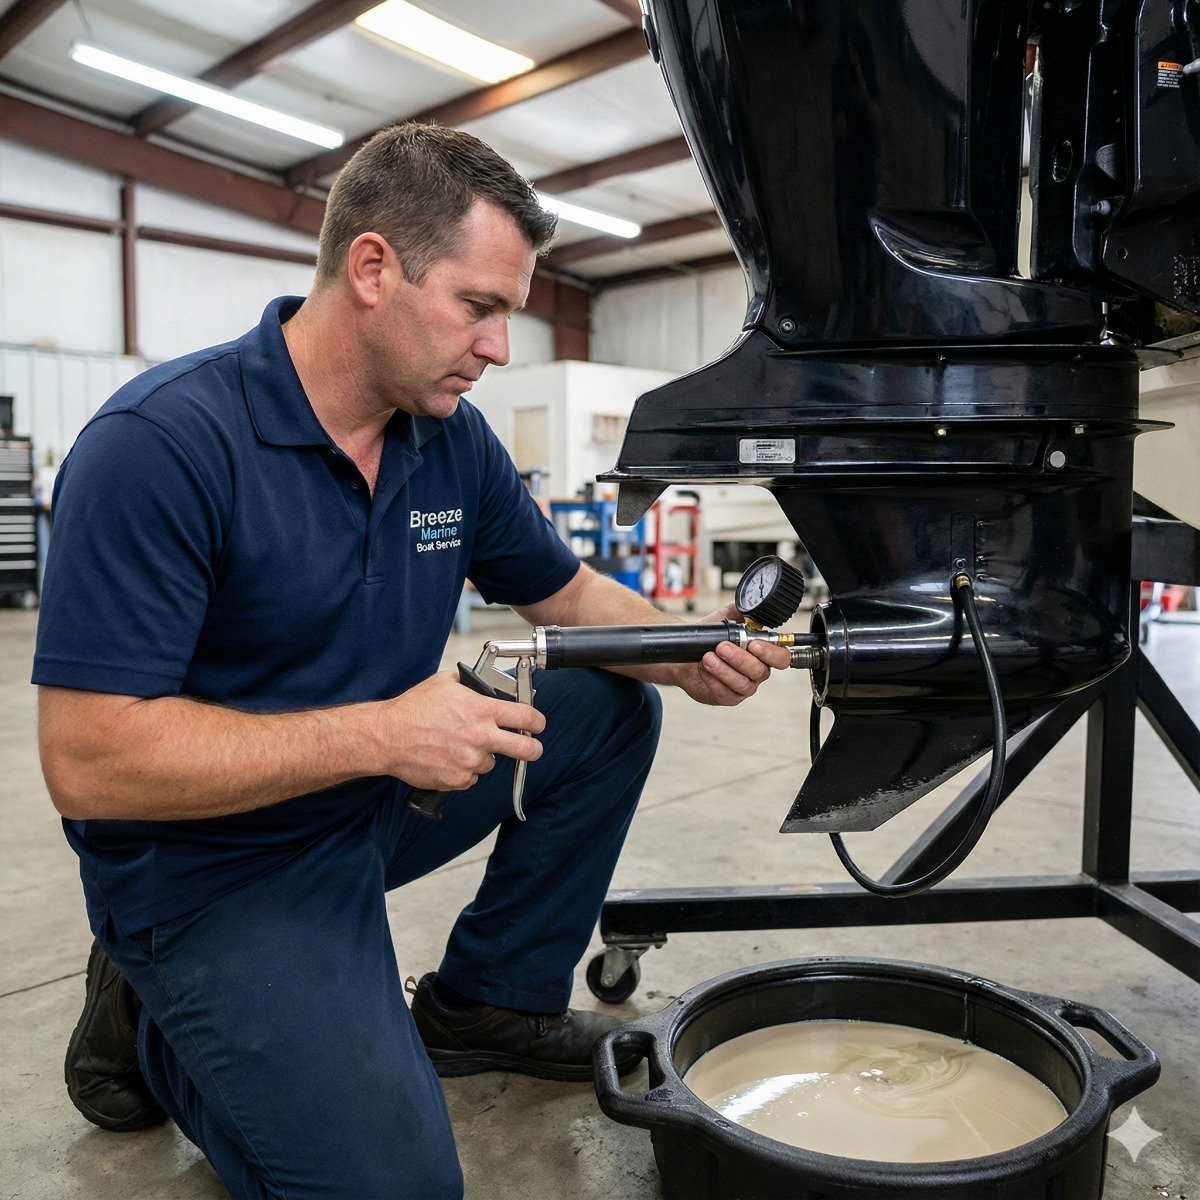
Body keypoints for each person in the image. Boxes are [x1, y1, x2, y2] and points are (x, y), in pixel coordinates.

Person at [34, 122, 790, 1199]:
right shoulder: (162, 445)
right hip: (213, 867)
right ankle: (159, 1026)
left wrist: (687, 646)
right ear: (374, 269)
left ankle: (489, 1003)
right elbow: (91, 760)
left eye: (507, 316)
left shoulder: (449, 439)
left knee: (604, 701)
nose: (496, 347)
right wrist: (384, 731)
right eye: (478, 307)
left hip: (370, 802)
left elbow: (568, 595)